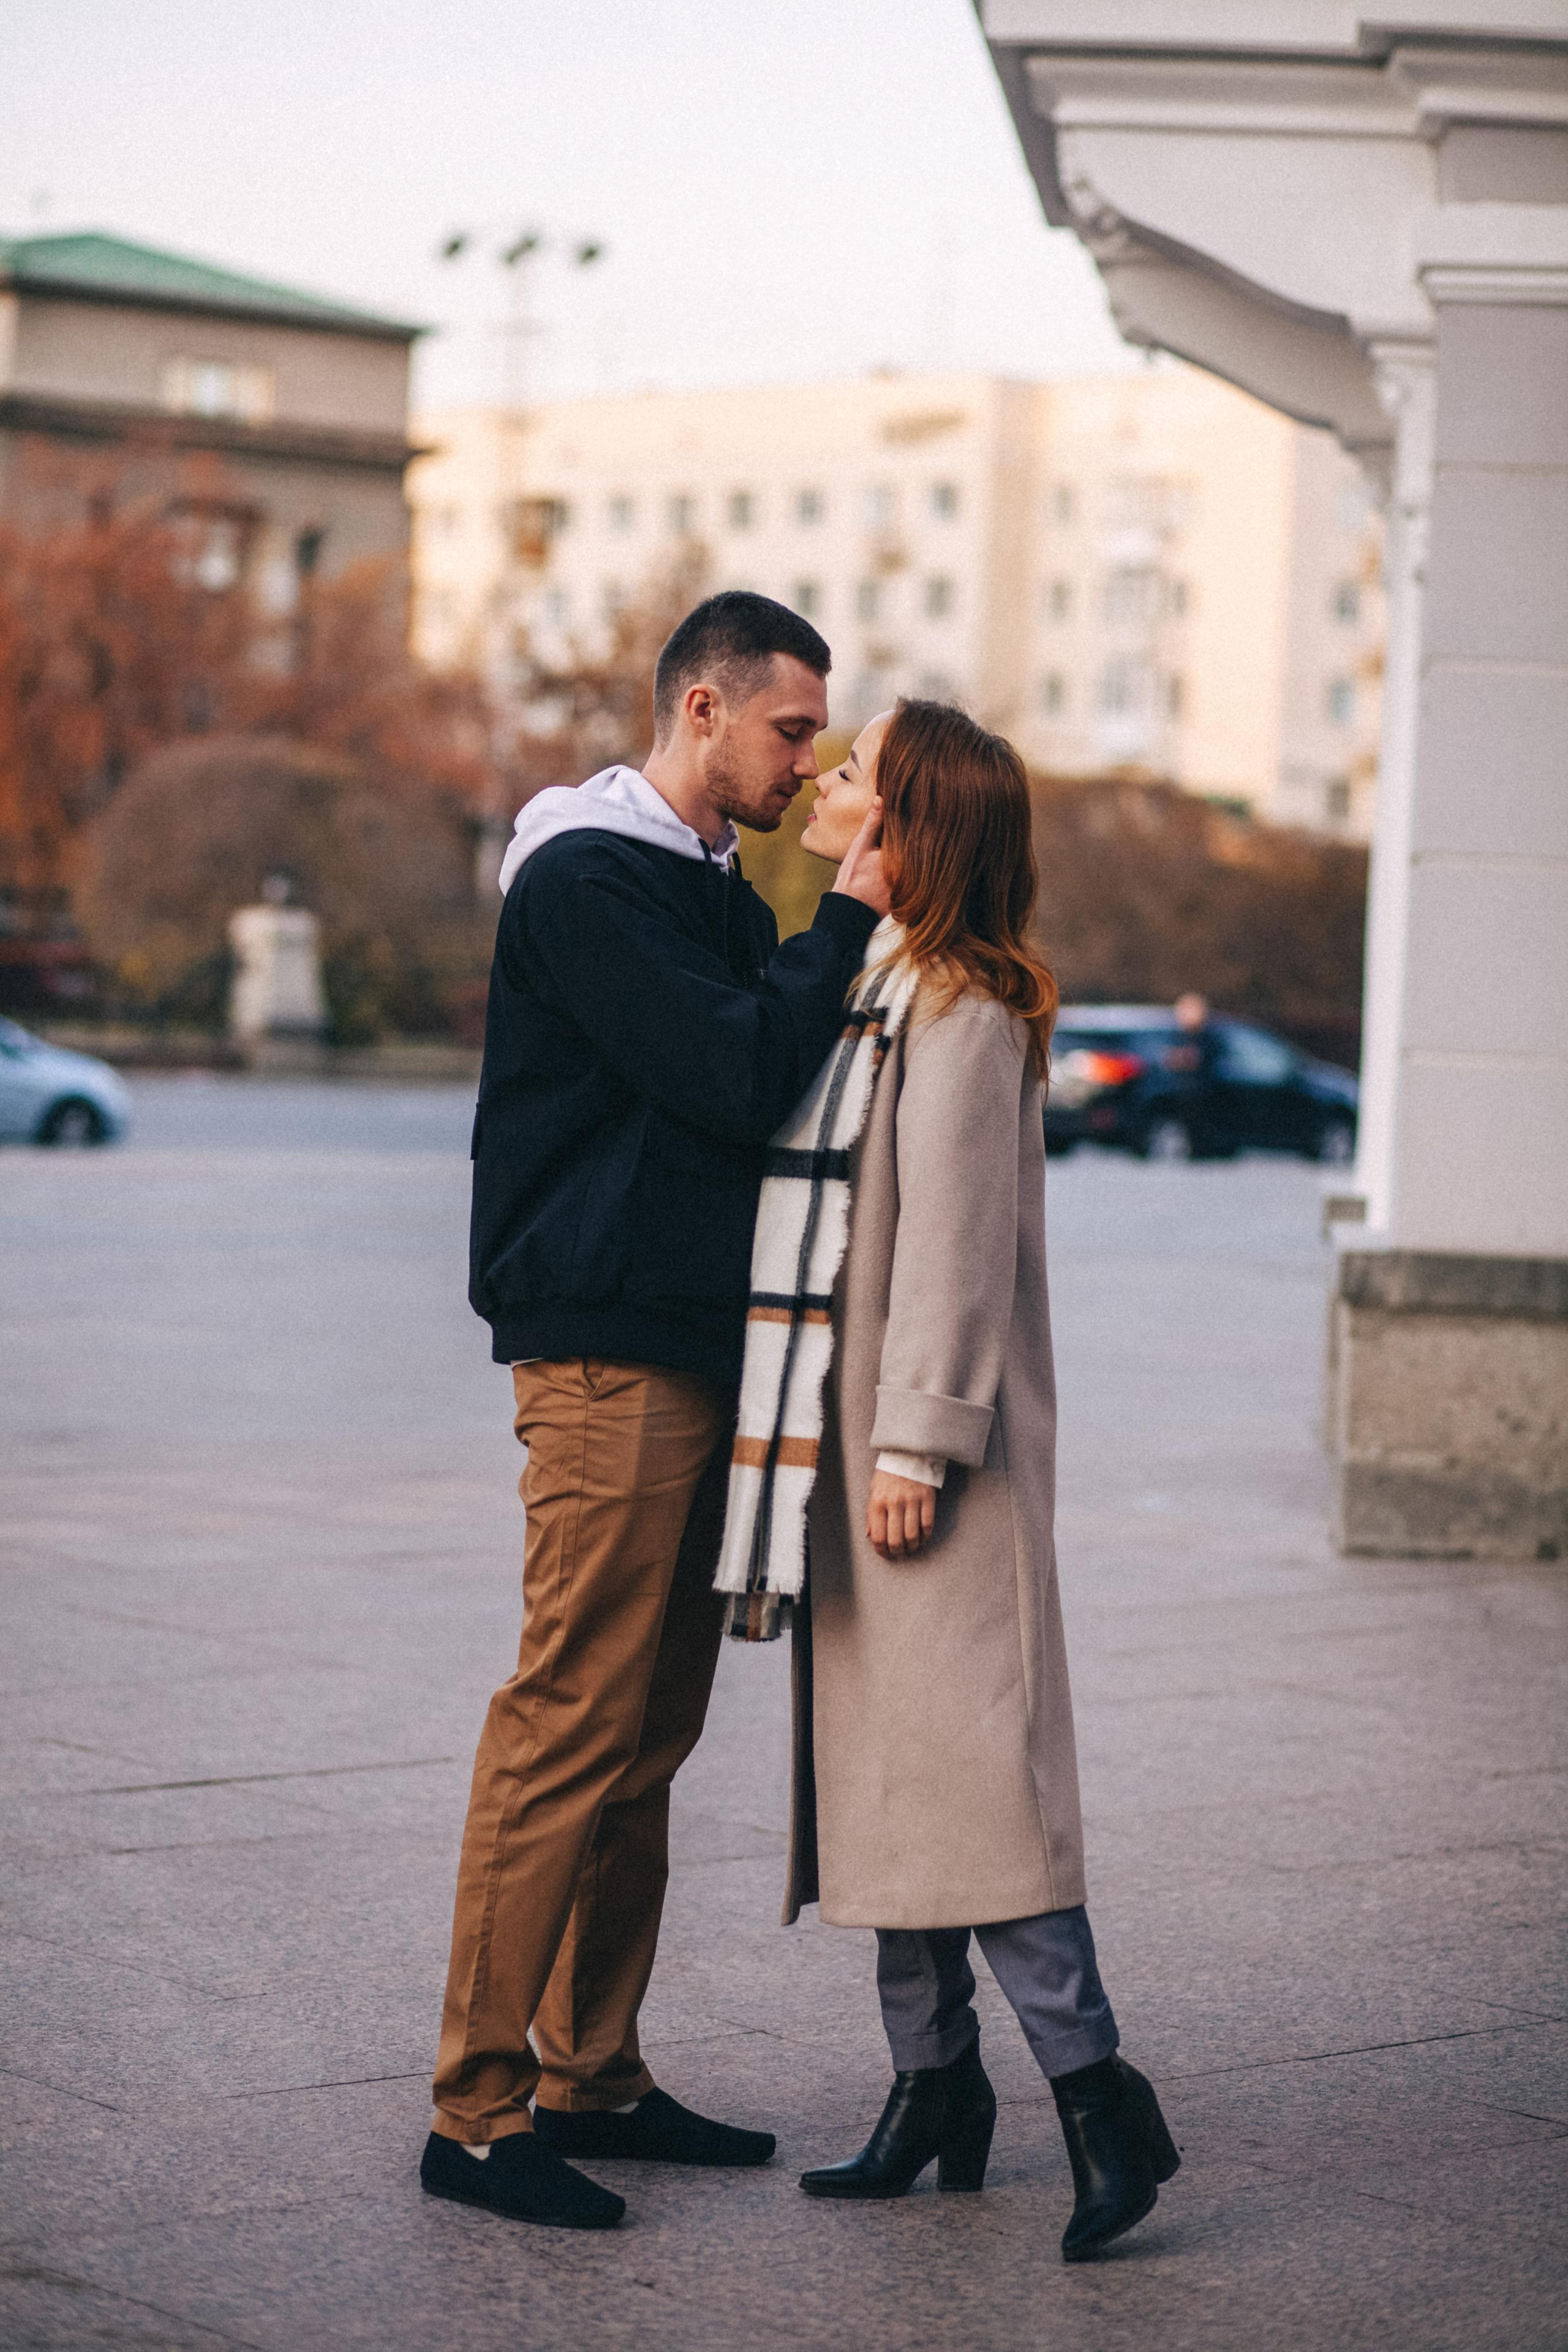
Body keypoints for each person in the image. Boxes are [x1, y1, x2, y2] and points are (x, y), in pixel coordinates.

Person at [420, 593, 889, 2231]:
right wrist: (839, 902)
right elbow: (735, 1072)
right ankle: (476, 2115)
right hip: (609, 1353)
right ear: (703, 709)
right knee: (568, 1722)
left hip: (690, 1348)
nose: (806, 760)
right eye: (788, 731)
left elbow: (776, 1061)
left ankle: (591, 2072)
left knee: (646, 1735)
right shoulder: (589, 875)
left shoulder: (695, 881)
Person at [720, 698, 1179, 2263]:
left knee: (976, 1792)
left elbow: (955, 1247)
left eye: (859, 777)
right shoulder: (879, 982)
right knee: (890, 1790)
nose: (830, 785)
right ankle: (933, 2094)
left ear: (916, 826)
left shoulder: (964, 1008)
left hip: (921, 1464)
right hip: (844, 1452)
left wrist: (914, 1436)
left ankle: (1101, 2102)